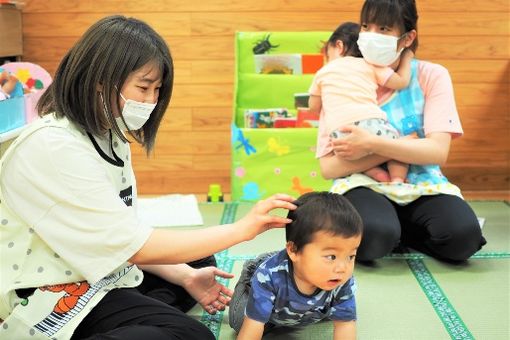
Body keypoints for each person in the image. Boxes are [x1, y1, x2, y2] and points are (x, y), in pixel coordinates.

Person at [0, 15, 297, 340]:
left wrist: (185, 276)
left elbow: (123, 238)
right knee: (191, 336)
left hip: (99, 268)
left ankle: (142, 315)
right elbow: (136, 247)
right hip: (50, 291)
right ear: (101, 80)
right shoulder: (53, 146)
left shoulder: (108, 133)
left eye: (157, 89)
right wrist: (241, 230)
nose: (151, 100)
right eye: (143, 87)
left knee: (197, 262)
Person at [317, 0, 486, 263]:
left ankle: (398, 232)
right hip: (363, 184)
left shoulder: (431, 75)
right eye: (365, 26)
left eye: (384, 28)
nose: (372, 35)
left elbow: (437, 152)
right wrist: (403, 147)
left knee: (463, 238)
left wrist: (371, 144)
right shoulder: (341, 78)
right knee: (373, 238)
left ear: (407, 38)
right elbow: (329, 168)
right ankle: (388, 231)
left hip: (422, 183)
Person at [228, 191, 363, 340]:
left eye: (351, 256)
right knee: (241, 321)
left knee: (340, 312)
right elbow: (253, 326)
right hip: (269, 292)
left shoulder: (339, 277)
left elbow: (345, 324)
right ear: (293, 250)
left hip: (307, 304)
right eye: (331, 257)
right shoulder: (268, 276)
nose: (343, 268)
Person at [310, 22, 414, 183]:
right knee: (396, 147)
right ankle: (397, 179)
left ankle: (377, 175)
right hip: (371, 122)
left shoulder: (322, 72)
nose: (328, 61)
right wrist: (407, 58)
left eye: (327, 55)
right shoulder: (370, 65)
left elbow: (313, 106)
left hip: (340, 132)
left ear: (339, 46)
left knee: (356, 159)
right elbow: (401, 82)